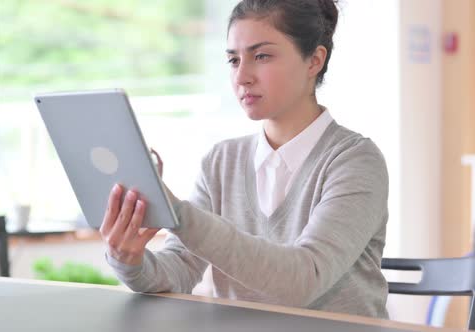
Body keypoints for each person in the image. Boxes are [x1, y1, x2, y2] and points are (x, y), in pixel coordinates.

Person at [99, 0, 389, 318]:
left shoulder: (356, 161)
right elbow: (180, 270)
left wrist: (178, 213)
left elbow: (304, 280)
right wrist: (129, 261)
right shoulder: (221, 161)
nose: (242, 77)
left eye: (261, 56)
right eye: (234, 60)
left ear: (314, 61)